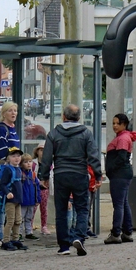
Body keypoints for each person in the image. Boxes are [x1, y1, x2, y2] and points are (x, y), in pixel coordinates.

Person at [40, 104, 102, 257]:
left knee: (61, 210)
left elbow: (46, 158)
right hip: (80, 174)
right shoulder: (86, 133)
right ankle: (79, 237)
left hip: (61, 174)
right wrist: (98, 175)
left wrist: (44, 177)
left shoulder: (54, 133)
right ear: (79, 118)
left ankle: (63, 246)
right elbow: (93, 156)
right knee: (82, 208)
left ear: (63, 116)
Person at [104, 113, 136, 244]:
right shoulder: (124, 137)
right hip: (123, 174)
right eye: (113, 123)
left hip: (119, 175)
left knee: (118, 204)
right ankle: (127, 232)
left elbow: (121, 158)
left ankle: (116, 233)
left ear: (124, 124)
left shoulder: (123, 138)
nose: (115, 126)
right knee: (123, 203)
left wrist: (111, 170)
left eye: (118, 123)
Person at [0, 148, 27, 251]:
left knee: (18, 220)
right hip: (10, 201)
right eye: (13, 156)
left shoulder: (18, 169)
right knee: (10, 221)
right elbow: (2, 184)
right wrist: (7, 193)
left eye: (18, 156)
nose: (16, 158)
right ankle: (5, 241)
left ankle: (15, 239)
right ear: (8, 158)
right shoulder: (7, 169)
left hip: (18, 200)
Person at [0, 102, 20, 170]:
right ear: (4, 114)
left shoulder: (12, 129)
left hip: (13, 166)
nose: (13, 113)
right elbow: (2, 152)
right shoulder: (1, 129)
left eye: (15, 111)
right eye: (10, 111)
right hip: (5, 168)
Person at [19, 154, 41, 241]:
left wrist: (38, 199)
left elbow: (37, 188)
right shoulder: (20, 174)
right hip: (23, 201)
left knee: (29, 217)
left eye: (30, 161)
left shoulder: (33, 175)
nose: (28, 164)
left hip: (31, 201)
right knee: (20, 218)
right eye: (25, 162)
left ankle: (29, 232)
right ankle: (19, 233)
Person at [32, 144, 50, 235]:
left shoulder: (49, 164)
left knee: (44, 208)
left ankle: (44, 226)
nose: (43, 153)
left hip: (44, 189)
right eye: (41, 150)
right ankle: (29, 225)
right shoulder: (33, 163)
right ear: (37, 152)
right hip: (34, 188)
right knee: (33, 208)